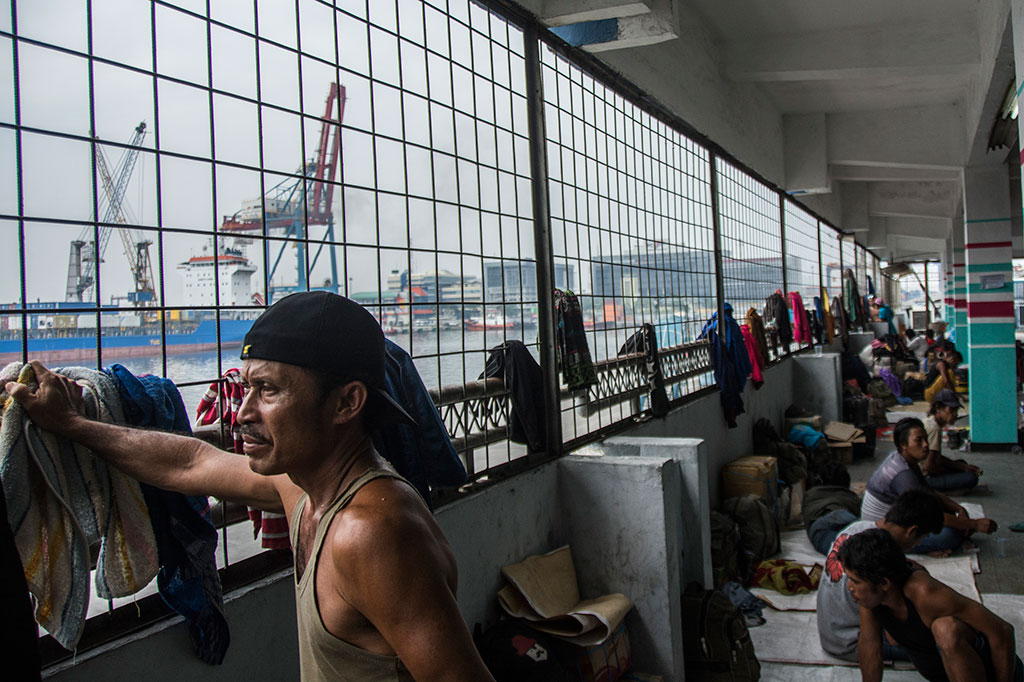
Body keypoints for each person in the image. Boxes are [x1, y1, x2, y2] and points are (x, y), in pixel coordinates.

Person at [6, 292, 498, 682]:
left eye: (269, 390)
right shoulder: (304, 489)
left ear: (346, 403)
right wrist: (73, 425)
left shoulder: (371, 532)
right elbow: (190, 462)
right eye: (246, 388)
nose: (242, 413)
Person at [840, 529, 1023, 682]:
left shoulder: (924, 593)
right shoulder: (870, 598)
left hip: (991, 673)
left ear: (884, 583)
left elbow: (1002, 631)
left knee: (945, 628)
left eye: (855, 581)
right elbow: (870, 645)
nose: (849, 587)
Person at [817, 490, 945, 662]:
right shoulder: (877, 557)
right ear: (912, 531)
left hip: (831, 635)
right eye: (921, 538)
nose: (918, 544)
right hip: (850, 642)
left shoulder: (857, 529)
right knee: (943, 646)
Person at [860, 418, 996, 554]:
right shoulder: (903, 474)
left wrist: (958, 508)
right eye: (918, 440)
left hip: (901, 519)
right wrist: (973, 524)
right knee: (950, 535)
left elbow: (929, 491)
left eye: (926, 439)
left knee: (951, 516)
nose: (925, 445)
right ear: (903, 444)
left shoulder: (905, 459)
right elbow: (927, 514)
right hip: (883, 534)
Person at [922, 389, 981, 493]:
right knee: (971, 478)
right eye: (951, 410)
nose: (955, 414)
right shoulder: (934, 428)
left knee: (962, 464)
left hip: (923, 474)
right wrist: (950, 470)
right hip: (925, 480)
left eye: (956, 411)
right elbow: (929, 467)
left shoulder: (929, 422)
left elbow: (936, 456)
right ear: (938, 408)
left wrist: (963, 467)